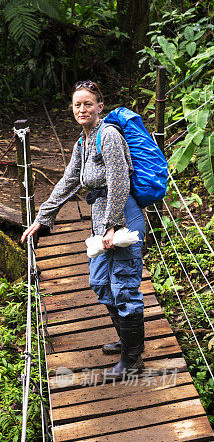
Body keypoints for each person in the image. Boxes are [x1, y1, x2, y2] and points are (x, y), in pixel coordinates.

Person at [21, 80, 145, 378]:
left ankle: (133, 361)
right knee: (100, 283)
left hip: (122, 217)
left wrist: (114, 226)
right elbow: (68, 180)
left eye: (88, 103)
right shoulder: (84, 141)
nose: (82, 109)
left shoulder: (109, 135)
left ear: (100, 106)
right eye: (77, 104)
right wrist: (42, 217)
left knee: (124, 287)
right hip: (101, 218)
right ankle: (127, 341)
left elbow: (119, 181)